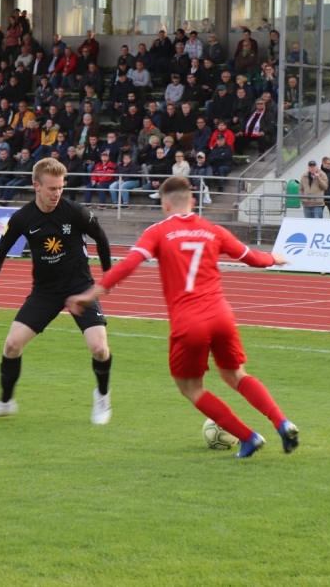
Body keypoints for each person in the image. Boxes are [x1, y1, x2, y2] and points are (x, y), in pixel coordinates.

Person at [65, 176, 299, 459]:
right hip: (222, 315)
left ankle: (248, 437)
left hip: (190, 322)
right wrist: (275, 258)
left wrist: (91, 294)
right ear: (193, 202)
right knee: (237, 375)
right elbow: (253, 258)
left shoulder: (158, 232)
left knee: (190, 387)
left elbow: (128, 264)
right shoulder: (213, 230)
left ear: (165, 205)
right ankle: (281, 422)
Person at [0, 158, 115, 424]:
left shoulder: (75, 212)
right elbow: (0, 252)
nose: (57, 193)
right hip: (45, 292)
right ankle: (5, 403)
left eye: (61, 187)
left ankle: (103, 396)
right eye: (52, 188)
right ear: (36, 185)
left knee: (99, 348)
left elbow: (101, 237)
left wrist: (107, 274)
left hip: (79, 288)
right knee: (12, 345)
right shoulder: (22, 218)